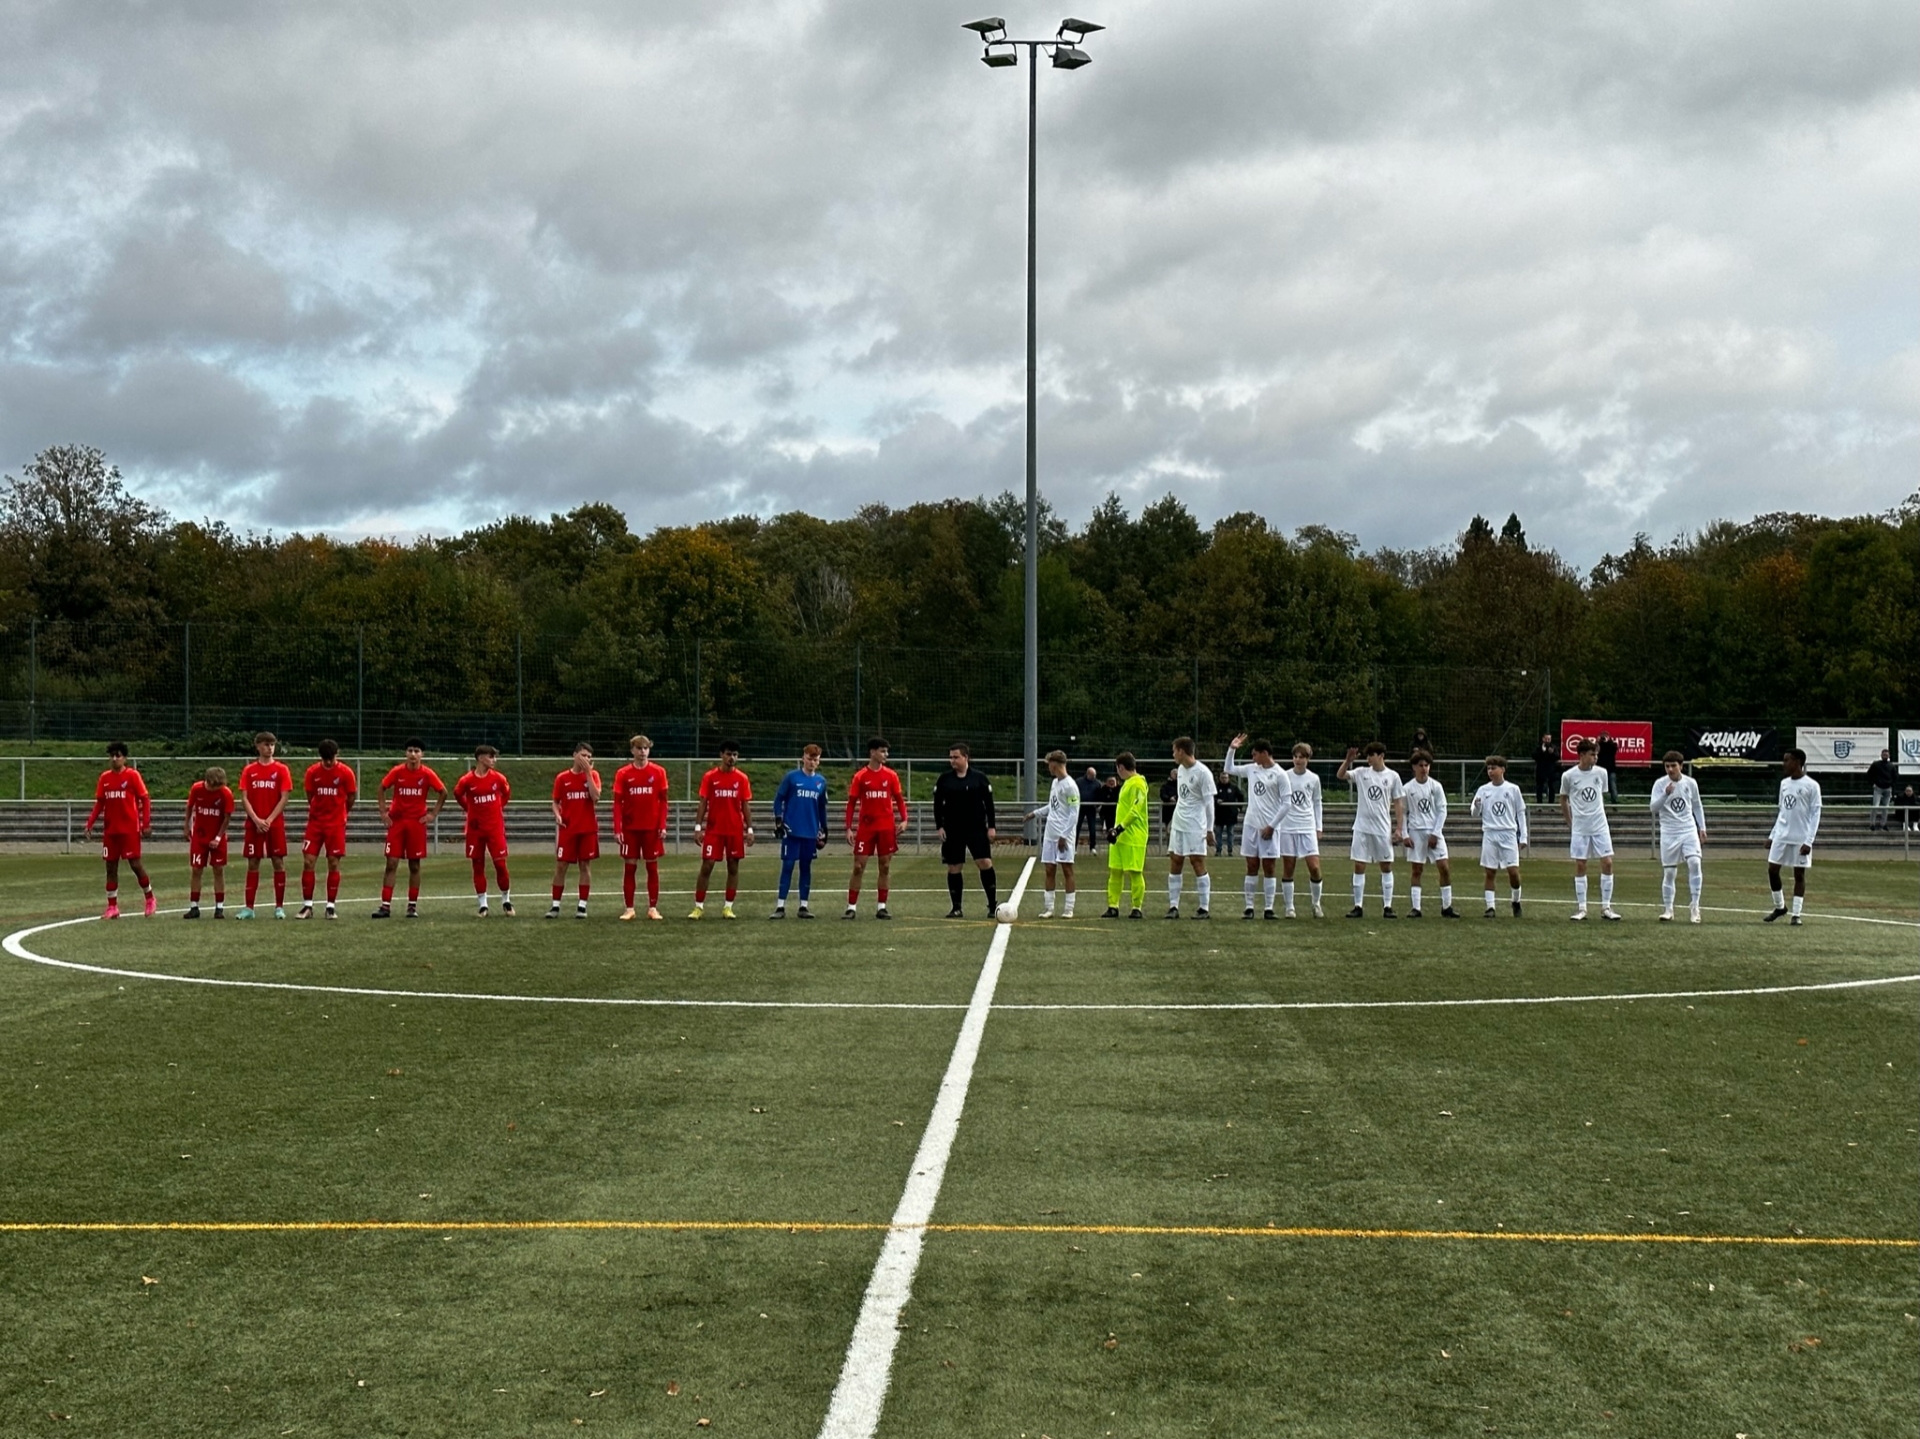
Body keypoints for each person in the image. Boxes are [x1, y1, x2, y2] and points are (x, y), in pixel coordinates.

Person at [372, 740, 446, 919]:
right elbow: (382, 787)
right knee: (391, 863)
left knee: (414, 864)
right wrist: (383, 812)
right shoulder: (397, 772)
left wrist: (433, 814)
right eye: (410, 750)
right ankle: (385, 906)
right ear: (406, 753)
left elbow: (443, 792)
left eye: (417, 751)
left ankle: (412, 906)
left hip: (416, 823)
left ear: (422, 754)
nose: (413, 754)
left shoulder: (427, 774)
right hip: (397, 822)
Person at [84, 741, 154, 919]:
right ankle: (112, 907)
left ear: (125, 758)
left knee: (135, 865)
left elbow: (145, 799)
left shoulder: (132, 776)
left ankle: (150, 898)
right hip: (111, 831)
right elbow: (100, 803)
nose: (114, 759)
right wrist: (90, 823)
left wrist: (145, 823)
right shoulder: (105, 778)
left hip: (129, 829)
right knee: (110, 867)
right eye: (112, 756)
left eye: (118, 756)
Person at [1224, 735, 1290, 920]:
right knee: (1251, 865)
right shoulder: (1252, 769)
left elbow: (1287, 804)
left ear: (1265, 753)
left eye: (1255, 754)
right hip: (1251, 825)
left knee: (1269, 867)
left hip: (1269, 828)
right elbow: (1229, 768)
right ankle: (1249, 907)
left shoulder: (1280, 774)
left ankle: (1268, 908)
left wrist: (1272, 826)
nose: (1253, 758)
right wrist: (1232, 749)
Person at [1336, 742, 1406, 918]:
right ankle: (1358, 906)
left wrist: (1399, 828)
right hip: (1362, 827)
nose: (1368, 759)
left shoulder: (1393, 776)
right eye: (1367, 755)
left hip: (1382, 828)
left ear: (1381, 756)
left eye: (1371, 755)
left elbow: (1398, 802)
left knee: (1386, 865)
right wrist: (1347, 761)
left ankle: (1387, 906)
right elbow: (1341, 775)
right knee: (1359, 865)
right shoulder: (1361, 773)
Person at [933, 741, 998, 918]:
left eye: (956, 757)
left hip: (976, 828)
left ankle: (992, 905)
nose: (952, 761)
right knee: (954, 867)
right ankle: (956, 907)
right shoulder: (944, 779)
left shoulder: (979, 778)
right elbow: (937, 805)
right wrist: (939, 826)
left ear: (966, 757)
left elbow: (989, 804)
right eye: (950, 757)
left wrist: (991, 826)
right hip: (952, 829)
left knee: (984, 862)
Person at [844, 737, 907, 918]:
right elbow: (851, 803)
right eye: (882, 751)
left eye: (887, 751)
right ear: (872, 752)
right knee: (858, 866)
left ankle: (881, 907)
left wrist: (904, 819)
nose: (886, 754)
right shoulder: (860, 776)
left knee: (885, 866)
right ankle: (851, 907)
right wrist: (848, 828)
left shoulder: (891, 776)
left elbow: (899, 800)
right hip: (866, 828)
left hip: (886, 828)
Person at [690, 741, 753, 919]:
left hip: (734, 830)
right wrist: (698, 827)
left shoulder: (742, 778)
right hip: (714, 830)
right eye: (728, 754)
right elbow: (703, 802)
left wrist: (749, 829)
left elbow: (745, 805)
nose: (731, 758)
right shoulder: (710, 777)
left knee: (733, 866)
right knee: (707, 865)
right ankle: (698, 907)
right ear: (721, 755)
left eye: (735, 755)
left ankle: (728, 907)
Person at [1559, 738, 1619, 922]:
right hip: (1580, 828)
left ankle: (1606, 907)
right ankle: (1582, 908)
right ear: (1582, 755)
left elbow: (1600, 796)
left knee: (1607, 863)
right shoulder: (1569, 776)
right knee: (1580, 865)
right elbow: (1563, 799)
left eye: (1596, 754)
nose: (1595, 757)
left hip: (1600, 825)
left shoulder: (1601, 773)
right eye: (1592, 754)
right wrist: (1570, 822)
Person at [612, 735, 670, 921]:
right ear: (632, 751)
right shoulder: (623, 774)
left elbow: (663, 801)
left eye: (645, 748)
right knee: (630, 868)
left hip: (651, 829)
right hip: (630, 829)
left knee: (652, 868)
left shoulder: (659, 772)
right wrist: (618, 829)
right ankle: (629, 908)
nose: (642, 752)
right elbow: (617, 803)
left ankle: (653, 908)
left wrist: (662, 825)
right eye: (639, 748)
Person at [297, 738, 356, 920]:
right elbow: (310, 795)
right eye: (325, 759)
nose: (329, 762)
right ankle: (307, 906)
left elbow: (351, 796)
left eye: (331, 758)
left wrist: (341, 813)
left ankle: (330, 906)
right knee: (308, 861)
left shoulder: (346, 773)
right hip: (315, 823)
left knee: (333, 862)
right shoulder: (312, 772)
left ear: (337, 755)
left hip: (336, 825)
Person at [237, 731, 293, 919]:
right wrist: (256, 819)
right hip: (254, 824)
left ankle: (279, 907)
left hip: (274, 825)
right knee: (253, 862)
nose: (269, 748)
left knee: (278, 861)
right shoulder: (249, 770)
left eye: (272, 744)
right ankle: (249, 908)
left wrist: (269, 820)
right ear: (258, 746)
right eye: (266, 744)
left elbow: (284, 797)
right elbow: (244, 797)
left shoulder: (282, 770)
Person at [771, 743, 829, 919]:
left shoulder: (821, 782)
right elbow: (778, 799)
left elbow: (821, 808)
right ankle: (780, 906)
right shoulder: (792, 777)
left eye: (815, 760)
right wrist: (779, 820)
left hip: (810, 832)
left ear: (819, 761)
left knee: (806, 867)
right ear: (803, 758)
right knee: (788, 865)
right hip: (792, 830)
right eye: (809, 759)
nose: (812, 762)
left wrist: (824, 829)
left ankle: (803, 906)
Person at [455, 744, 514, 917]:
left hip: (495, 829)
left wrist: (498, 808)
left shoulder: (498, 778)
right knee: (477, 865)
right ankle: (483, 905)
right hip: (475, 830)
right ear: (480, 758)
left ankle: (506, 901)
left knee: (500, 865)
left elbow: (506, 793)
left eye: (495, 757)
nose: (494, 760)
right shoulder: (467, 780)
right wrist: (468, 809)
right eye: (491, 756)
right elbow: (457, 794)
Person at [1765, 748, 1821, 925]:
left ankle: (1796, 914)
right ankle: (1780, 906)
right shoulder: (1784, 784)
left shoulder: (1812, 785)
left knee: (1799, 874)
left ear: (1797, 762)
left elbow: (1816, 814)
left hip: (1800, 837)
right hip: (1782, 834)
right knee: (1772, 870)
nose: (1784, 764)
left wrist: (1809, 841)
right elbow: (1782, 810)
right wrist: (1772, 835)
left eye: (1787, 760)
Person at [1650, 751, 1706, 923]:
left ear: (1681, 766)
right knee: (1669, 872)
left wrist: (1702, 827)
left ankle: (1695, 906)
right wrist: (1665, 794)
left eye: (1673, 766)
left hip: (1688, 829)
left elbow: (1697, 805)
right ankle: (1668, 909)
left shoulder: (1690, 783)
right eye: (1667, 766)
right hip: (1669, 831)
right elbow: (1653, 808)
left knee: (1694, 862)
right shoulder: (1660, 784)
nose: (1670, 769)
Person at [547, 742, 602, 918]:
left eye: (589, 757)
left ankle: (582, 906)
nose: (586, 759)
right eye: (583, 755)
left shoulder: (593, 775)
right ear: (575, 755)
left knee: (584, 865)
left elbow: (596, 797)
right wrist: (557, 815)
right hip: (568, 829)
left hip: (587, 829)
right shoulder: (562, 778)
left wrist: (588, 774)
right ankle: (555, 906)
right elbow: (555, 802)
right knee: (561, 866)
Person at [1401, 750, 1458, 918]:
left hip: (1434, 831)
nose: (1424, 768)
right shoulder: (1407, 788)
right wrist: (1405, 834)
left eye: (1426, 765)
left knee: (1444, 867)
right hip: (1416, 832)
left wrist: (1436, 833)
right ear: (1414, 767)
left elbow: (1442, 810)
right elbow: (1403, 812)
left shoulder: (1436, 786)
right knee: (1417, 870)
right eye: (1421, 765)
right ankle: (1416, 908)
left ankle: (1447, 907)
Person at [1165, 737, 1217, 918]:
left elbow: (1209, 804)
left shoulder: (1203, 773)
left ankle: (1204, 908)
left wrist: (1209, 829)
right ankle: (1173, 907)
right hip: (1179, 824)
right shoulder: (1180, 769)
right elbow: (1183, 798)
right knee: (1175, 861)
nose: (1173, 754)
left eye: (1174, 751)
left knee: (1197, 862)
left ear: (1181, 751)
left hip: (1195, 826)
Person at [1470, 756, 1528, 917]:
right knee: (1490, 872)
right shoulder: (1483, 790)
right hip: (1490, 833)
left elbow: (1520, 813)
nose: (1490, 771)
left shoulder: (1513, 789)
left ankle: (1516, 901)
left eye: (1493, 768)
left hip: (1508, 834)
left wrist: (1523, 836)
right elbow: (1474, 813)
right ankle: (1490, 907)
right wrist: (1477, 806)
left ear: (1502, 769)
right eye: (1488, 768)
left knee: (1513, 872)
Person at [1278, 742, 1325, 918]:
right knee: (1289, 867)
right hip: (1288, 827)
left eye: (1301, 757)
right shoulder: (1284, 776)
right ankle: (1289, 907)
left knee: (1314, 867)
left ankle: (1316, 904)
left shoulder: (1314, 779)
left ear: (1307, 759)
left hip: (1307, 827)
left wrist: (1319, 827)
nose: (1298, 760)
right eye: (1295, 757)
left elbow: (1317, 802)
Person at [1033, 750, 1080, 917]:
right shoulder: (1054, 783)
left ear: (1055, 764)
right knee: (1049, 869)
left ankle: (1068, 909)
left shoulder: (1070, 786)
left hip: (1063, 835)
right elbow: (1052, 806)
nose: (1048, 768)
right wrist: (1035, 814)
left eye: (1049, 764)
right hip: (1050, 833)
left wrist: (1064, 836)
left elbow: (1074, 813)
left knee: (1067, 870)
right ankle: (1049, 908)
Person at [182, 765, 232, 919]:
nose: (215, 789)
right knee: (196, 869)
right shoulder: (197, 789)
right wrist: (186, 826)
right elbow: (189, 807)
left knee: (218, 870)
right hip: (199, 836)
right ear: (207, 781)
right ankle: (194, 906)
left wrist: (218, 837)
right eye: (213, 786)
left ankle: (219, 908)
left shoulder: (225, 793)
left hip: (217, 837)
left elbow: (227, 818)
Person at [1103, 751, 1149, 918]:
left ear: (1121, 767)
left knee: (1135, 872)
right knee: (1115, 871)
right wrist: (1116, 830)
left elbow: (1135, 811)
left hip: (1133, 835)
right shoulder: (1127, 784)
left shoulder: (1138, 784)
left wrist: (1119, 828)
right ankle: (1113, 906)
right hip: (1120, 836)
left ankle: (1137, 907)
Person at [1867, 749, 1896, 831]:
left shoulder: (1891, 766)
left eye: (1886, 755)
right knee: (1875, 806)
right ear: (1881, 755)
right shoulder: (1876, 764)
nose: (1885, 756)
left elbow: (1895, 777)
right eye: (1884, 755)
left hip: (1888, 788)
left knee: (1886, 808)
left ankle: (1883, 824)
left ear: (1889, 756)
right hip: (1878, 788)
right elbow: (1869, 774)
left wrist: (1891, 785)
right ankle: (1872, 824)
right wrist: (1873, 783)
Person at [1215, 775, 1243, 856]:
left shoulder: (1233, 787)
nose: (1224, 779)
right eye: (1222, 778)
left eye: (1225, 778)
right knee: (1218, 833)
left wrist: (1239, 807)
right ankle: (1218, 850)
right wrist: (1216, 800)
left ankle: (1230, 850)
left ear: (1228, 778)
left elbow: (1241, 796)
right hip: (1219, 814)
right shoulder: (1216, 787)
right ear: (1220, 778)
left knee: (1230, 833)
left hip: (1231, 814)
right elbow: (1211, 797)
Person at [1078, 766, 1103, 852]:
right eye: (1092, 775)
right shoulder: (1079, 782)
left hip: (1091, 808)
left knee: (1092, 828)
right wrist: (1074, 804)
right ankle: (1074, 847)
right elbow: (1073, 793)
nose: (1094, 777)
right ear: (1087, 774)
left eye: (1095, 775)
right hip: (1080, 807)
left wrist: (1097, 805)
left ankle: (1092, 847)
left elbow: (1100, 795)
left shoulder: (1097, 783)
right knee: (1077, 827)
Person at [1533, 732, 1558, 805]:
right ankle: (1539, 803)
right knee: (1539, 787)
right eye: (1546, 739)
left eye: (1549, 739)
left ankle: (1551, 804)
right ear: (1543, 739)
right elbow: (1534, 755)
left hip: (1551, 770)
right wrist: (1542, 751)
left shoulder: (1553, 747)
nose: (1547, 740)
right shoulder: (1538, 747)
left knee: (1552, 787)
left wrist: (1552, 753)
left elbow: (1557, 756)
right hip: (1541, 770)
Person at [1596, 732, 1619, 800]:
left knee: (1612, 785)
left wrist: (1609, 741)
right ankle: (1599, 800)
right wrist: (1598, 742)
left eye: (1605, 737)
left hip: (1610, 769)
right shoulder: (1599, 745)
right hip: (1600, 769)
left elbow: (1614, 748)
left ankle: (1615, 800)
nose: (1604, 738)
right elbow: (1595, 750)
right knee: (1598, 785)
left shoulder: (1611, 745)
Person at [1159, 768, 1180, 841]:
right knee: (1169, 831)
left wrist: (1176, 799)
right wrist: (1169, 798)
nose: (1176, 775)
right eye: (1174, 774)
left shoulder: (1180, 785)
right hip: (1168, 812)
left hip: (1178, 811)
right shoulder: (1166, 785)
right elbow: (1162, 794)